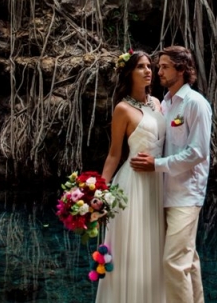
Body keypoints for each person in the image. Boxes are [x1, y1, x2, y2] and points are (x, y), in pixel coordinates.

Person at [130, 46, 212, 303]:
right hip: (163, 193)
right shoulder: (164, 102)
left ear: (182, 69)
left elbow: (197, 152)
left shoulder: (195, 103)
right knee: (189, 259)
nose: (158, 71)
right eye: (159, 66)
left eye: (164, 66)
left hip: (187, 194)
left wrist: (157, 164)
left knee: (174, 262)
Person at [95, 50, 167, 303]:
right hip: (131, 185)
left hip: (156, 183)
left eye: (150, 66)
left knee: (154, 246)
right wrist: (100, 192)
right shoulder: (122, 109)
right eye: (141, 67)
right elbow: (114, 154)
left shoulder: (158, 103)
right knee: (132, 249)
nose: (148, 71)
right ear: (129, 73)